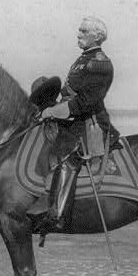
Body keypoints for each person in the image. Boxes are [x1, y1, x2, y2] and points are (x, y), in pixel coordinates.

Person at [27, 16, 119, 230]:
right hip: (77, 119)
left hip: (91, 123)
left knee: (68, 157)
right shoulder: (84, 59)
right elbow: (70, 94)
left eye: (83, 31)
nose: (78, 34)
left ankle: (56, 214)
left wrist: (54, 111)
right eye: (79, 30)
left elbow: (85, 102)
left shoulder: (99, 63)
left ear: (96, 36)